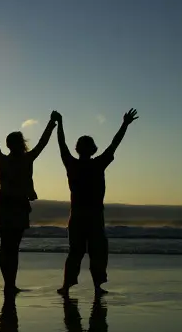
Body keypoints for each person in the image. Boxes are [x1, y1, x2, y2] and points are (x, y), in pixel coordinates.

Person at [54, 108, 139, 296]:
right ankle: (95, 286)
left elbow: (62, 145)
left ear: (79, 149)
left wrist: (59, 125)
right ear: (92, 149)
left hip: (79, 215)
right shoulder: (96, 163)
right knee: (96, 251)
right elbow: (114, 144)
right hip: (92, 215)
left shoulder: (73, 163)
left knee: (77, 252)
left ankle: (69, 286)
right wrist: (124, 124)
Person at [0, 116, 57, 295]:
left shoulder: (3, 160)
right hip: (16, 205)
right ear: (20, 144)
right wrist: (50, 124)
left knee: (7, 246)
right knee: (12, 247)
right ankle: (10, 283)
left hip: (6, 204)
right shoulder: (26, 159)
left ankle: (9, 283)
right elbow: (42, 143)